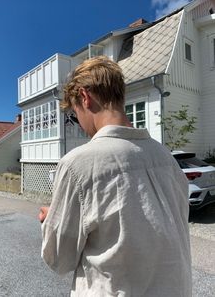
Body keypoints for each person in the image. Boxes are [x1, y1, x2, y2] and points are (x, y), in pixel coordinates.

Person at [40, 56, 192, 296]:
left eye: (74, 115)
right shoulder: (167, 158)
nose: (78, 123)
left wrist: (53, 220)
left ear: (85, 97)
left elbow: (59, 260)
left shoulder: (77, 164)